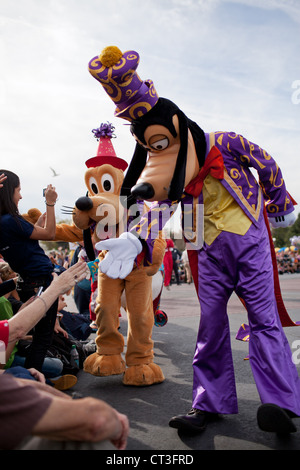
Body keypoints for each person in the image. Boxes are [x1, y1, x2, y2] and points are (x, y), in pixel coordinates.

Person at [89, 45, 300, 434]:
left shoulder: (224, 141)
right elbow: (157, 208)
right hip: (208, 251)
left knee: (264, 320)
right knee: (211, 324)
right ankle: (209, 403)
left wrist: (279, 200)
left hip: (249, 241)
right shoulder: (173, 173)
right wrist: (136, 240)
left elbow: (265, 160)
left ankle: (280, 404)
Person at [0, 169, 59, 372]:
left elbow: (20, 247)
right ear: (8, 192)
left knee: (34, 333)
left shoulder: (4, 223)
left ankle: (30, 379)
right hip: (41, 280)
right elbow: (51, 233)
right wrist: (50, 203)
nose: (21, 196)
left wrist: (35, 226)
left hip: (29, 280)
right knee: (43, 336)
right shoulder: (10, 220)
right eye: (18, 190)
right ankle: (32, 383)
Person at [0, 261, 88, 389]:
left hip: (11, 353)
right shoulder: (3, 303)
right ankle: (42, 382)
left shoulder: (5, 299)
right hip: (9, 358)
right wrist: (56, 287)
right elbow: (14, 335)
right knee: (53, 366)